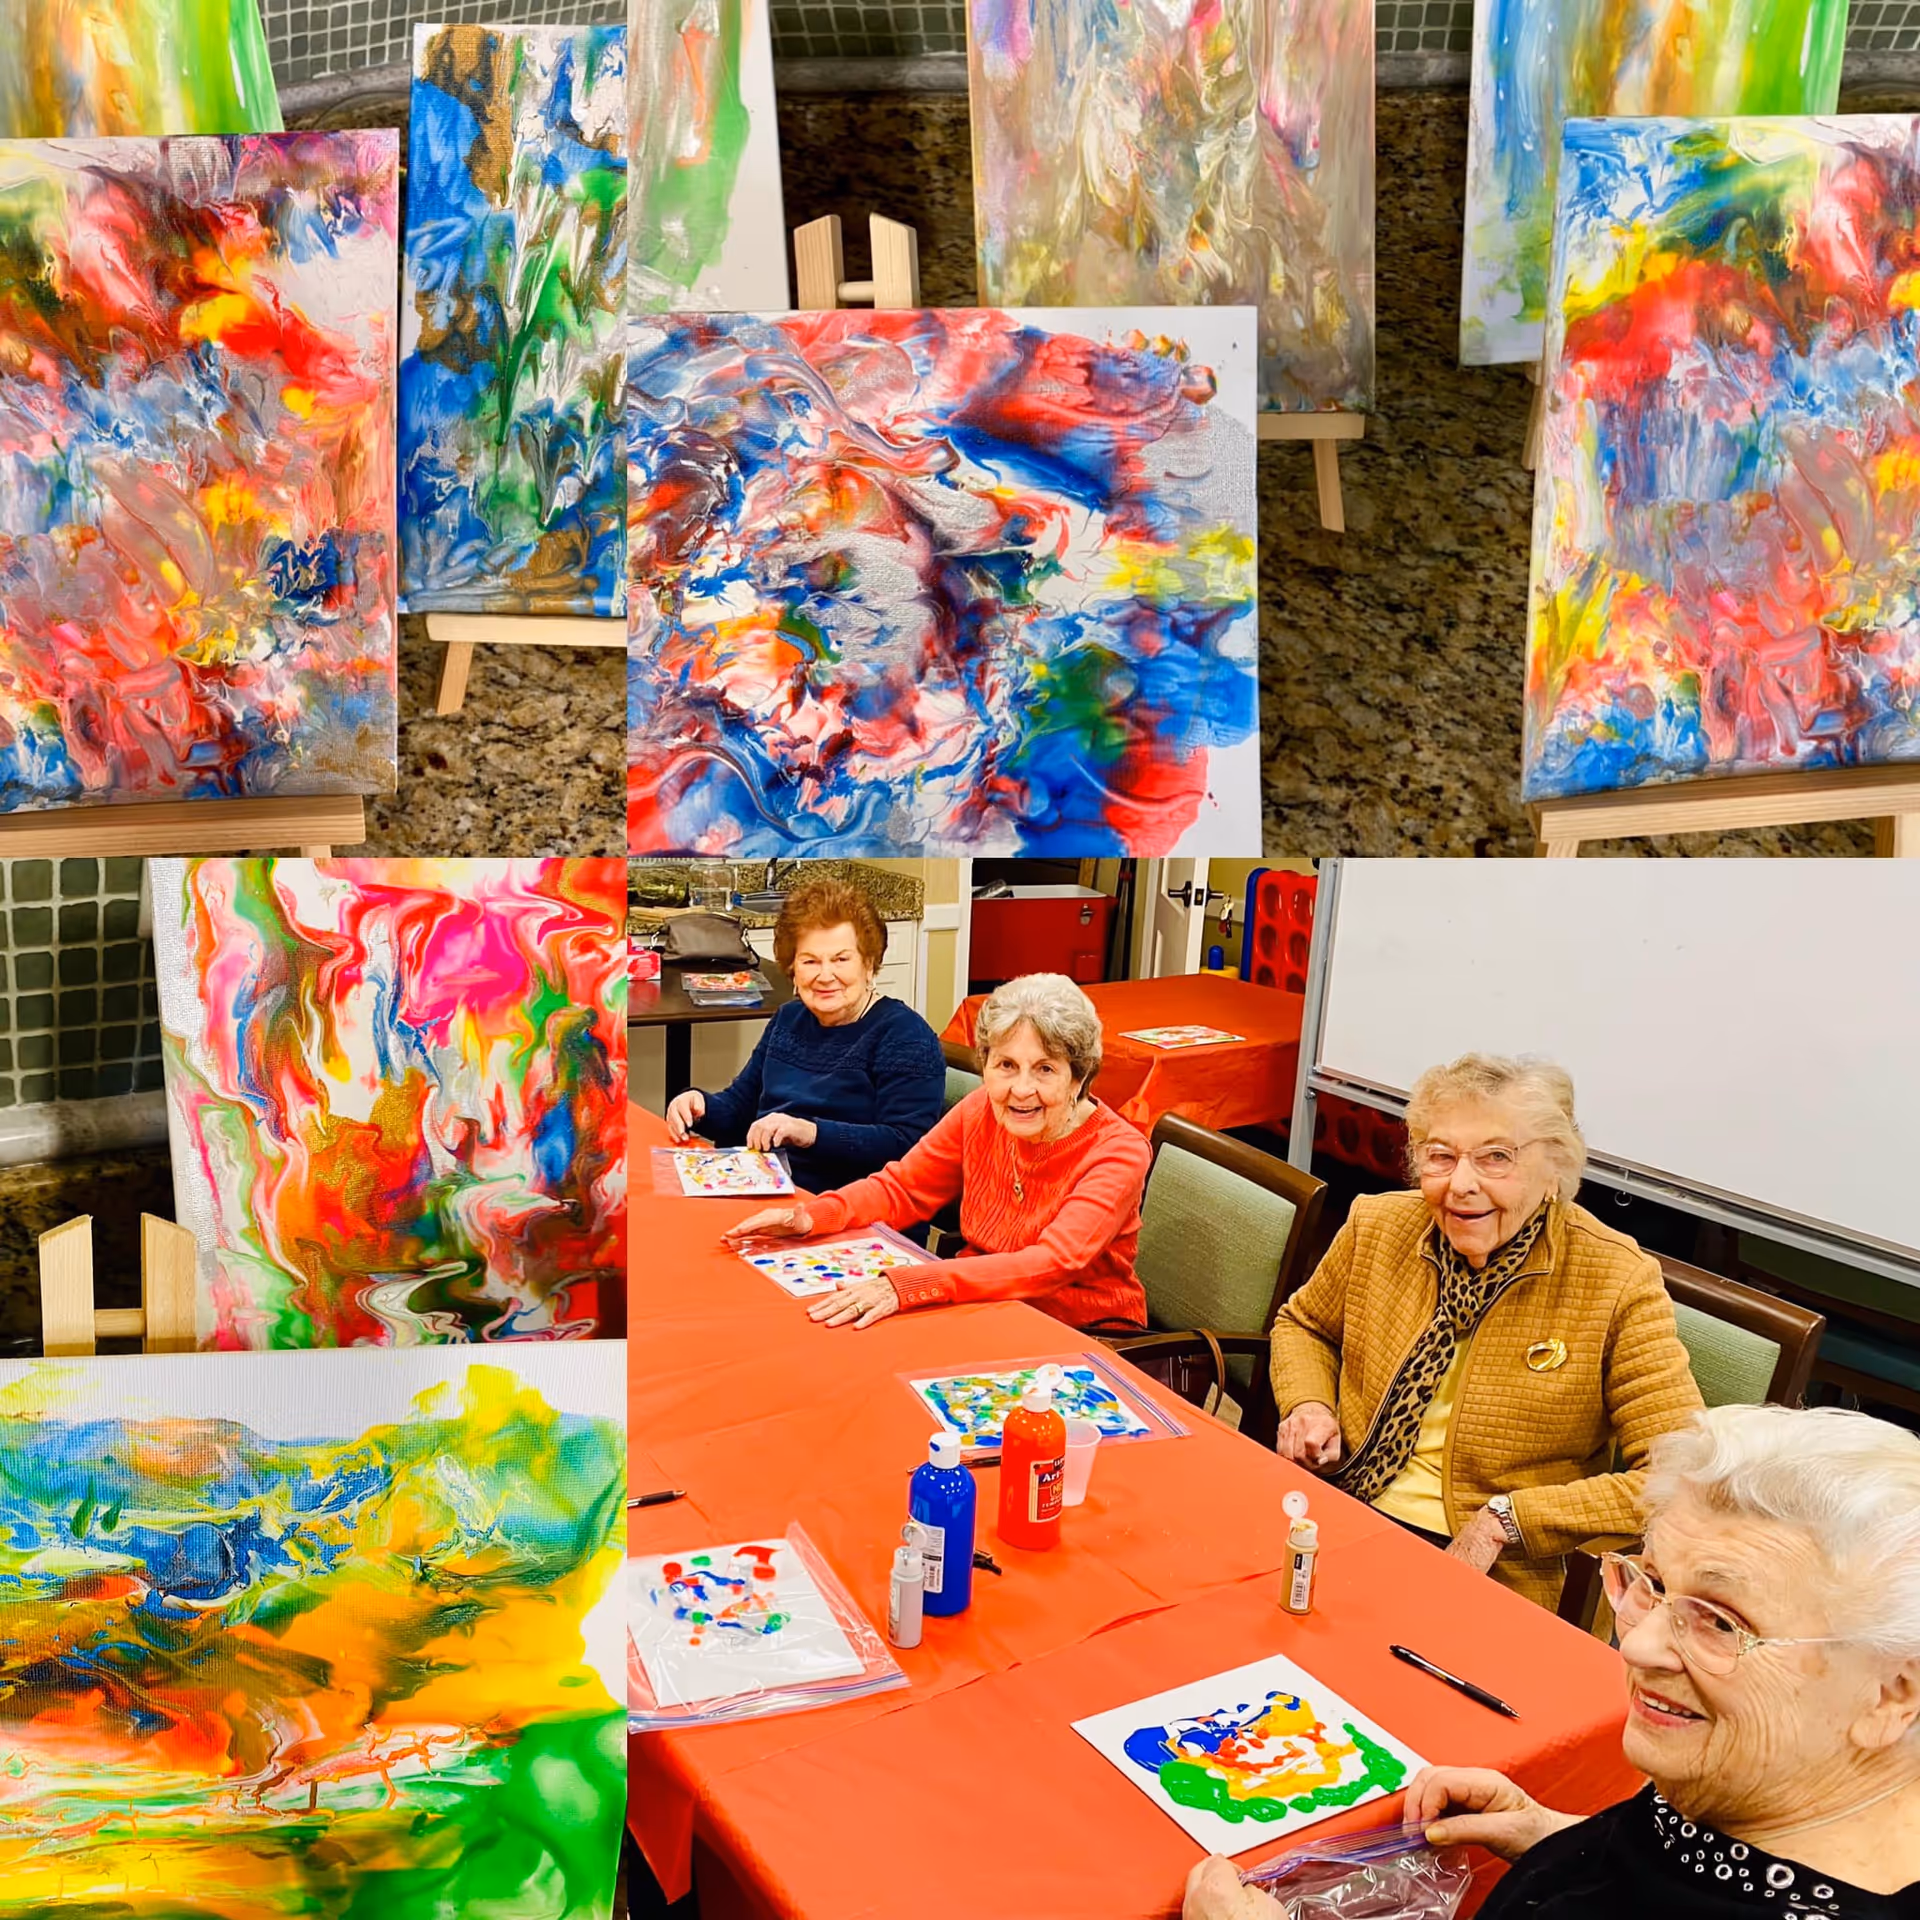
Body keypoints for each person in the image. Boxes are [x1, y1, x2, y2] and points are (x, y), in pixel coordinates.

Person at [1183, 1404, 1920, 1920]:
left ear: (1893, 1695)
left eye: (1722, 1622)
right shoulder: (1770, 1788)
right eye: (1651, 1585)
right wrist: (1553, 1834)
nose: (1637, 1645)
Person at [1269, 1053, 1701, 1608]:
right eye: (1441, 1156)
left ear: (1555, 1169)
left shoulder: (1616, 1280)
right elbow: (1304, 1325)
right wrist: (1309, 1405)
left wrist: (1507, 1520)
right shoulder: (1377, 1225)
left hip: (1495, 1570)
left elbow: (1677, 1478)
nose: (1461, 1185)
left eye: (1496, 1158)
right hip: (1336, 1509)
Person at [725, 972, 1150, 1332]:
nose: (1021, 1090)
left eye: (1045, 1069)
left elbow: (1051, 1263)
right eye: (1005, 1065)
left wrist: (910, 1283)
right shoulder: (981, 1109)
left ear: (1079, 1078)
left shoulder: (1118, 1151)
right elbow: (903, 1189)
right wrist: (812, 1217)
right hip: (982, 1305)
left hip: (1081, 1333)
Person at [663, 878, 944, 1193]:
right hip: (770, 1188)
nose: (825, 976)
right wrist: (700, 1104)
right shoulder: (789, 1018)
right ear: (792, 969)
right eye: (810, 961)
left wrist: (808, 1132)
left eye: (841, 959)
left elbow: (905, 1147)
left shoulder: (906, 1036)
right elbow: (741, 1106)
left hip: (853, 1208)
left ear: (869, 963)